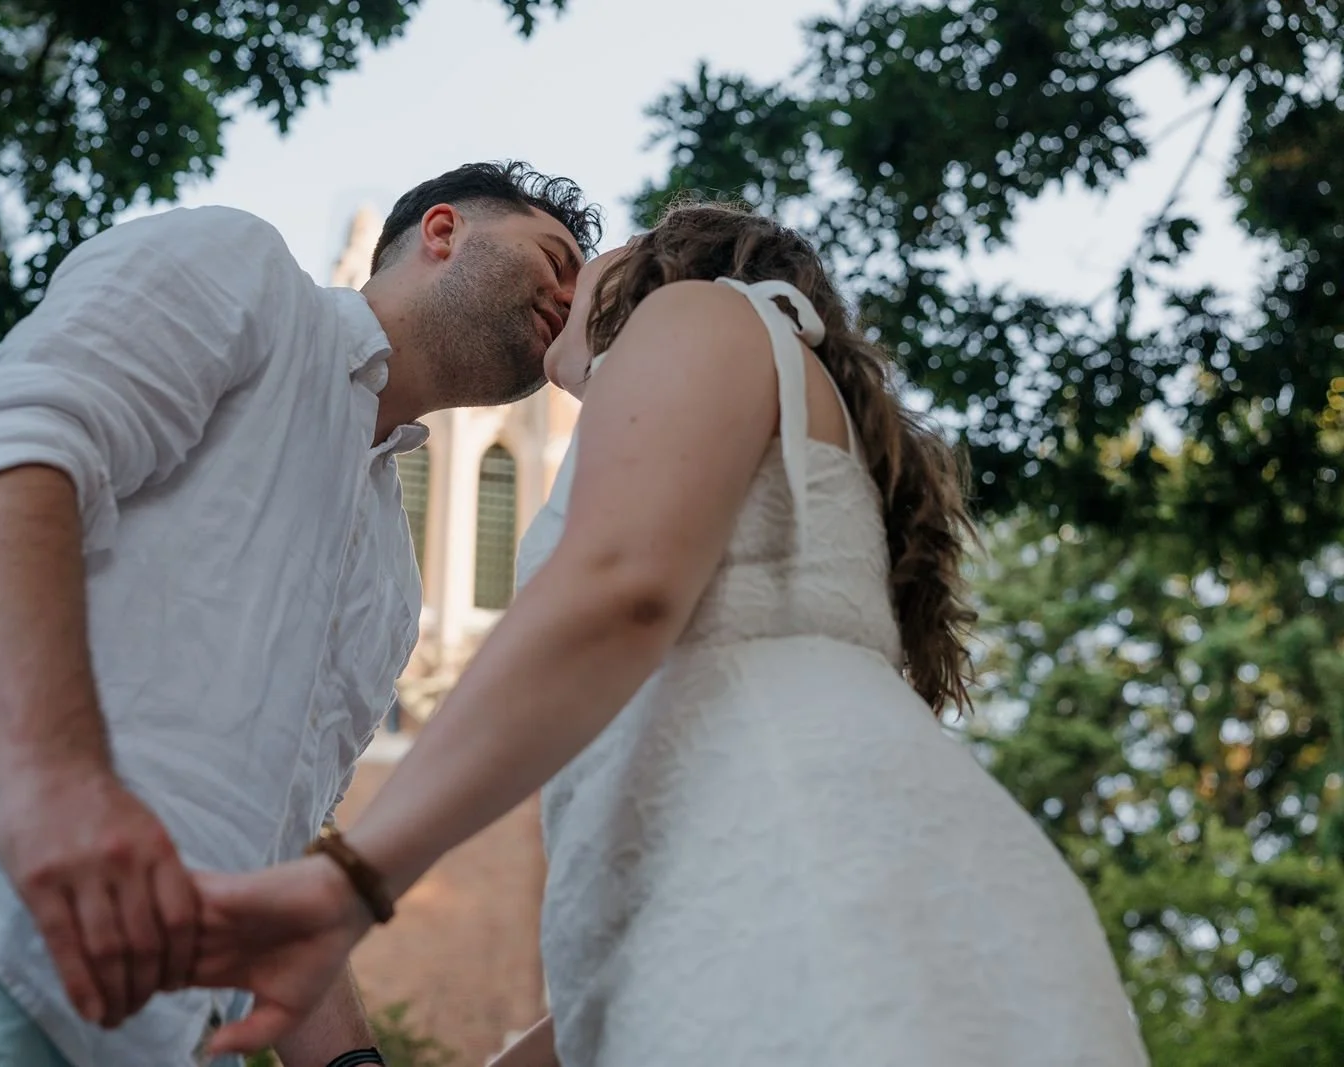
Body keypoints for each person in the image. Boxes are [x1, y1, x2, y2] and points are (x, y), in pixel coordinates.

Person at [183, 202, 1152, 1066]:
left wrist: (354, 878)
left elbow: (621, 589)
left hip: (822, 874)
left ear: (658, 269)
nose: (566, 293)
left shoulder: (701, 312)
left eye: (592, 261)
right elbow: (673, 939)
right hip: (810, 892)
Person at [0, 161, 600, 1067]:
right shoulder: (247, 273)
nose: (570, 297)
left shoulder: (391, 577)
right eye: (555, 260)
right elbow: (12, 458)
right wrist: (57, 782)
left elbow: (282, 836)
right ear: (443, 231)